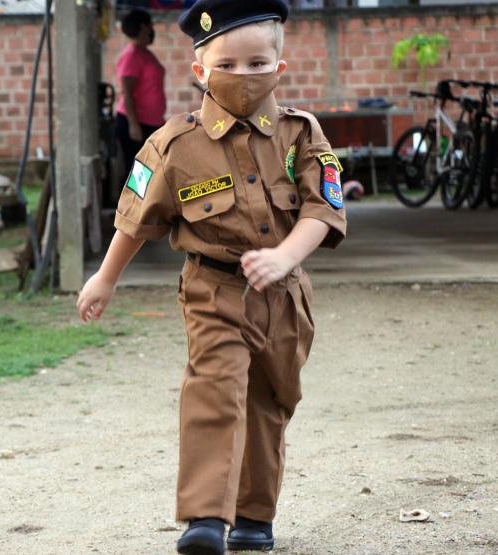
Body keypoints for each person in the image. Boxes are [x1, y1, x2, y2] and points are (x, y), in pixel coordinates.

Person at [77, 1, 347, 553]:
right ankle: (204, 519)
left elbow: (324, 209)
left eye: (256, 63)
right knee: (214, 389)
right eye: (228, 64)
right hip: (213, 288)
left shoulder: (301, 134)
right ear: (201, 71)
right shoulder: (174, 145)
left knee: (270, 401)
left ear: (279, 66)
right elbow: (135, 218)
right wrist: (105, 277)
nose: (244, 76)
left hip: (284, 296)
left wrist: (284, 257)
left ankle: (253, 517)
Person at [115, 9, 167, 188]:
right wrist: (133, 124)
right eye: (151, 26)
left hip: (150, 123)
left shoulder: (144, 53)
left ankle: (142, 209)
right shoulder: (132, 55)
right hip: (136, 123)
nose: (152, 30)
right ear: (144, 27)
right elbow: (126, 93)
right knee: (139, 170)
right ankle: (132, 211)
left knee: (149, 167)